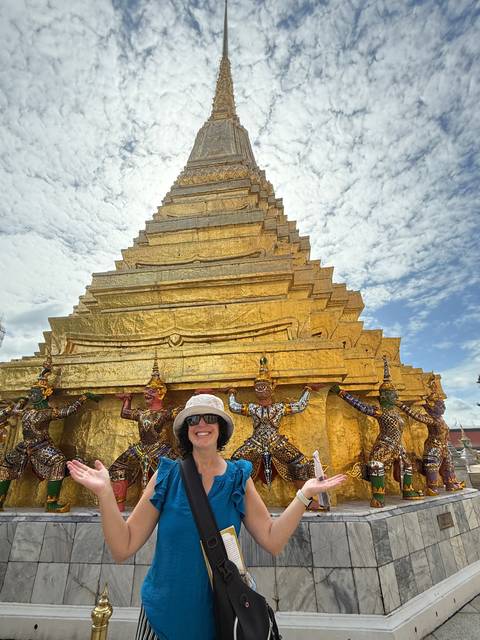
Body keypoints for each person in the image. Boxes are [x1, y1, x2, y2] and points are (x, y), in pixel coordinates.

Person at [68, 393, 346, 640]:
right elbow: (122, 546)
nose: (201, 425)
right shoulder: (166, 475)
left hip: (221, 616)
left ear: (221, 427)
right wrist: (105, 493)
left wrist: (304, 494)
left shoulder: (238, 477)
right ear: (185, 430)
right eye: (193, 420)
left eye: (210, 418)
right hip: (164, 615)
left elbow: (272, 540)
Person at [110, 356, 180, 511]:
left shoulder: (165, 413)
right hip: (141, 447)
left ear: (160, 393)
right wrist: (126, 400)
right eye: (146, 390)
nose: (146, 393)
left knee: (176, 471)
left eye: (151, 390)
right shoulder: (141, 412)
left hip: (160, 448)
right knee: (117, 468)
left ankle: (162, 505)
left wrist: (198, 397)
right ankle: (118, 505)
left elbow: (181, 413)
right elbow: (125, 414)